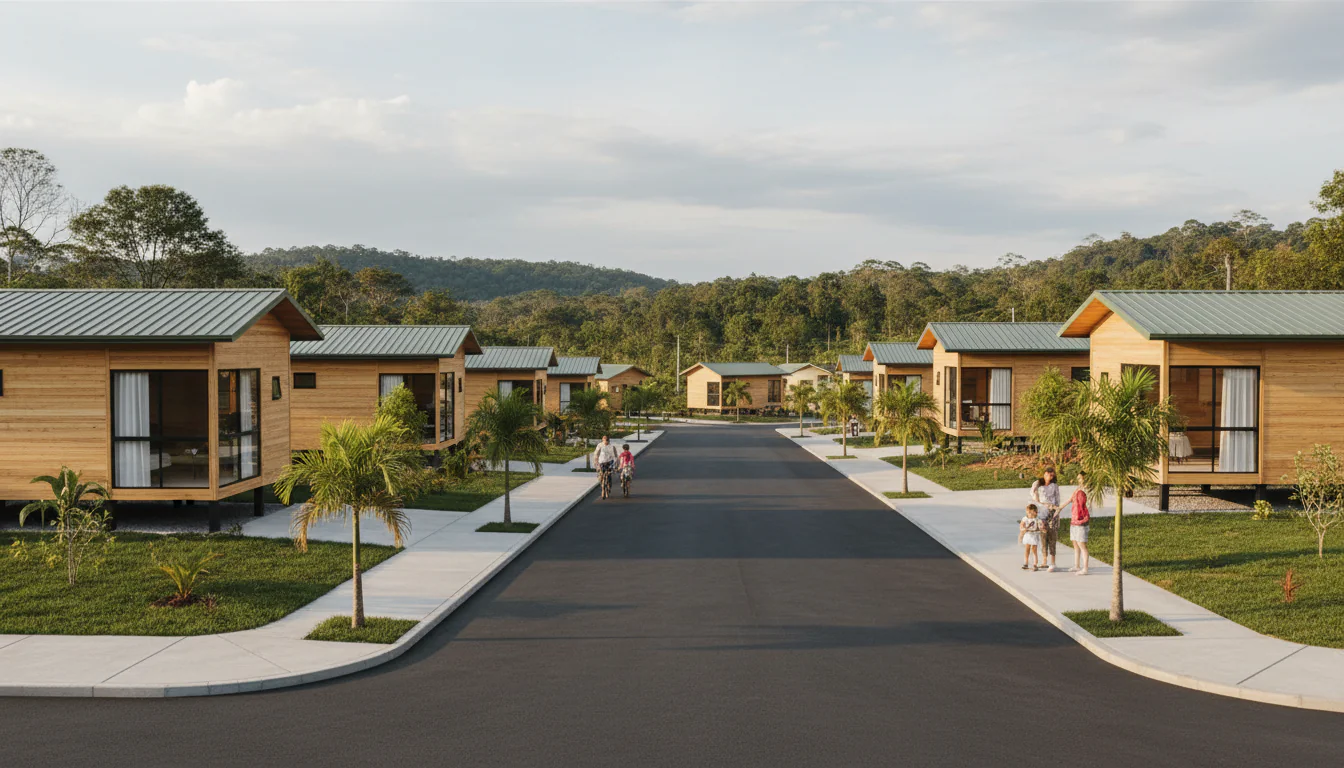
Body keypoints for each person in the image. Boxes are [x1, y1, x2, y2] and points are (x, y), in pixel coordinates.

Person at [1031, 468, 1062, 572]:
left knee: (1052, 536)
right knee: (1043, 536)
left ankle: (1052, 562)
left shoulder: (1054, 486)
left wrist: (1056, 511)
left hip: (1052, 512)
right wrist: (1039, 505)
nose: (1050, 477)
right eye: (1049, 474)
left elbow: (1057, 499)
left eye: (1052, 475)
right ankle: (1044, 561)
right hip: (1042, 512)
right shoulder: (1037, 484)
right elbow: (1033, 495)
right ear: (1044, 474)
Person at [1066, 471, 1091, 575]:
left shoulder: (1086, 491)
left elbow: (1086, 506)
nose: (1079, 480)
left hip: (1081, 521)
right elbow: (1070, 500)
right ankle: (1077, 566)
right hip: (1074, 521)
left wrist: (1083, 518)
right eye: (1078, 479)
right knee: (1075, 544)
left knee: (1082, 545)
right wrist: (1058, 508)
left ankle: (1085, 568)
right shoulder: (1077, 490)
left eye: (1080, 478)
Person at [1019, 503, 1042, 571]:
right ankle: (1026, 563)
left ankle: (1035, 564)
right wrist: (1023, 528)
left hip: (1034, 535)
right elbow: (1021, 525)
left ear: (1035, 512)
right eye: (1028, 512)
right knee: (1027, 549)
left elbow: (1040, 526)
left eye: (1031, 512)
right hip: (1028, 535)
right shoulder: (1025, 518)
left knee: (1034, 550)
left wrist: (1040, 528)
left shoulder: (1037, 519)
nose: (1030, 514)